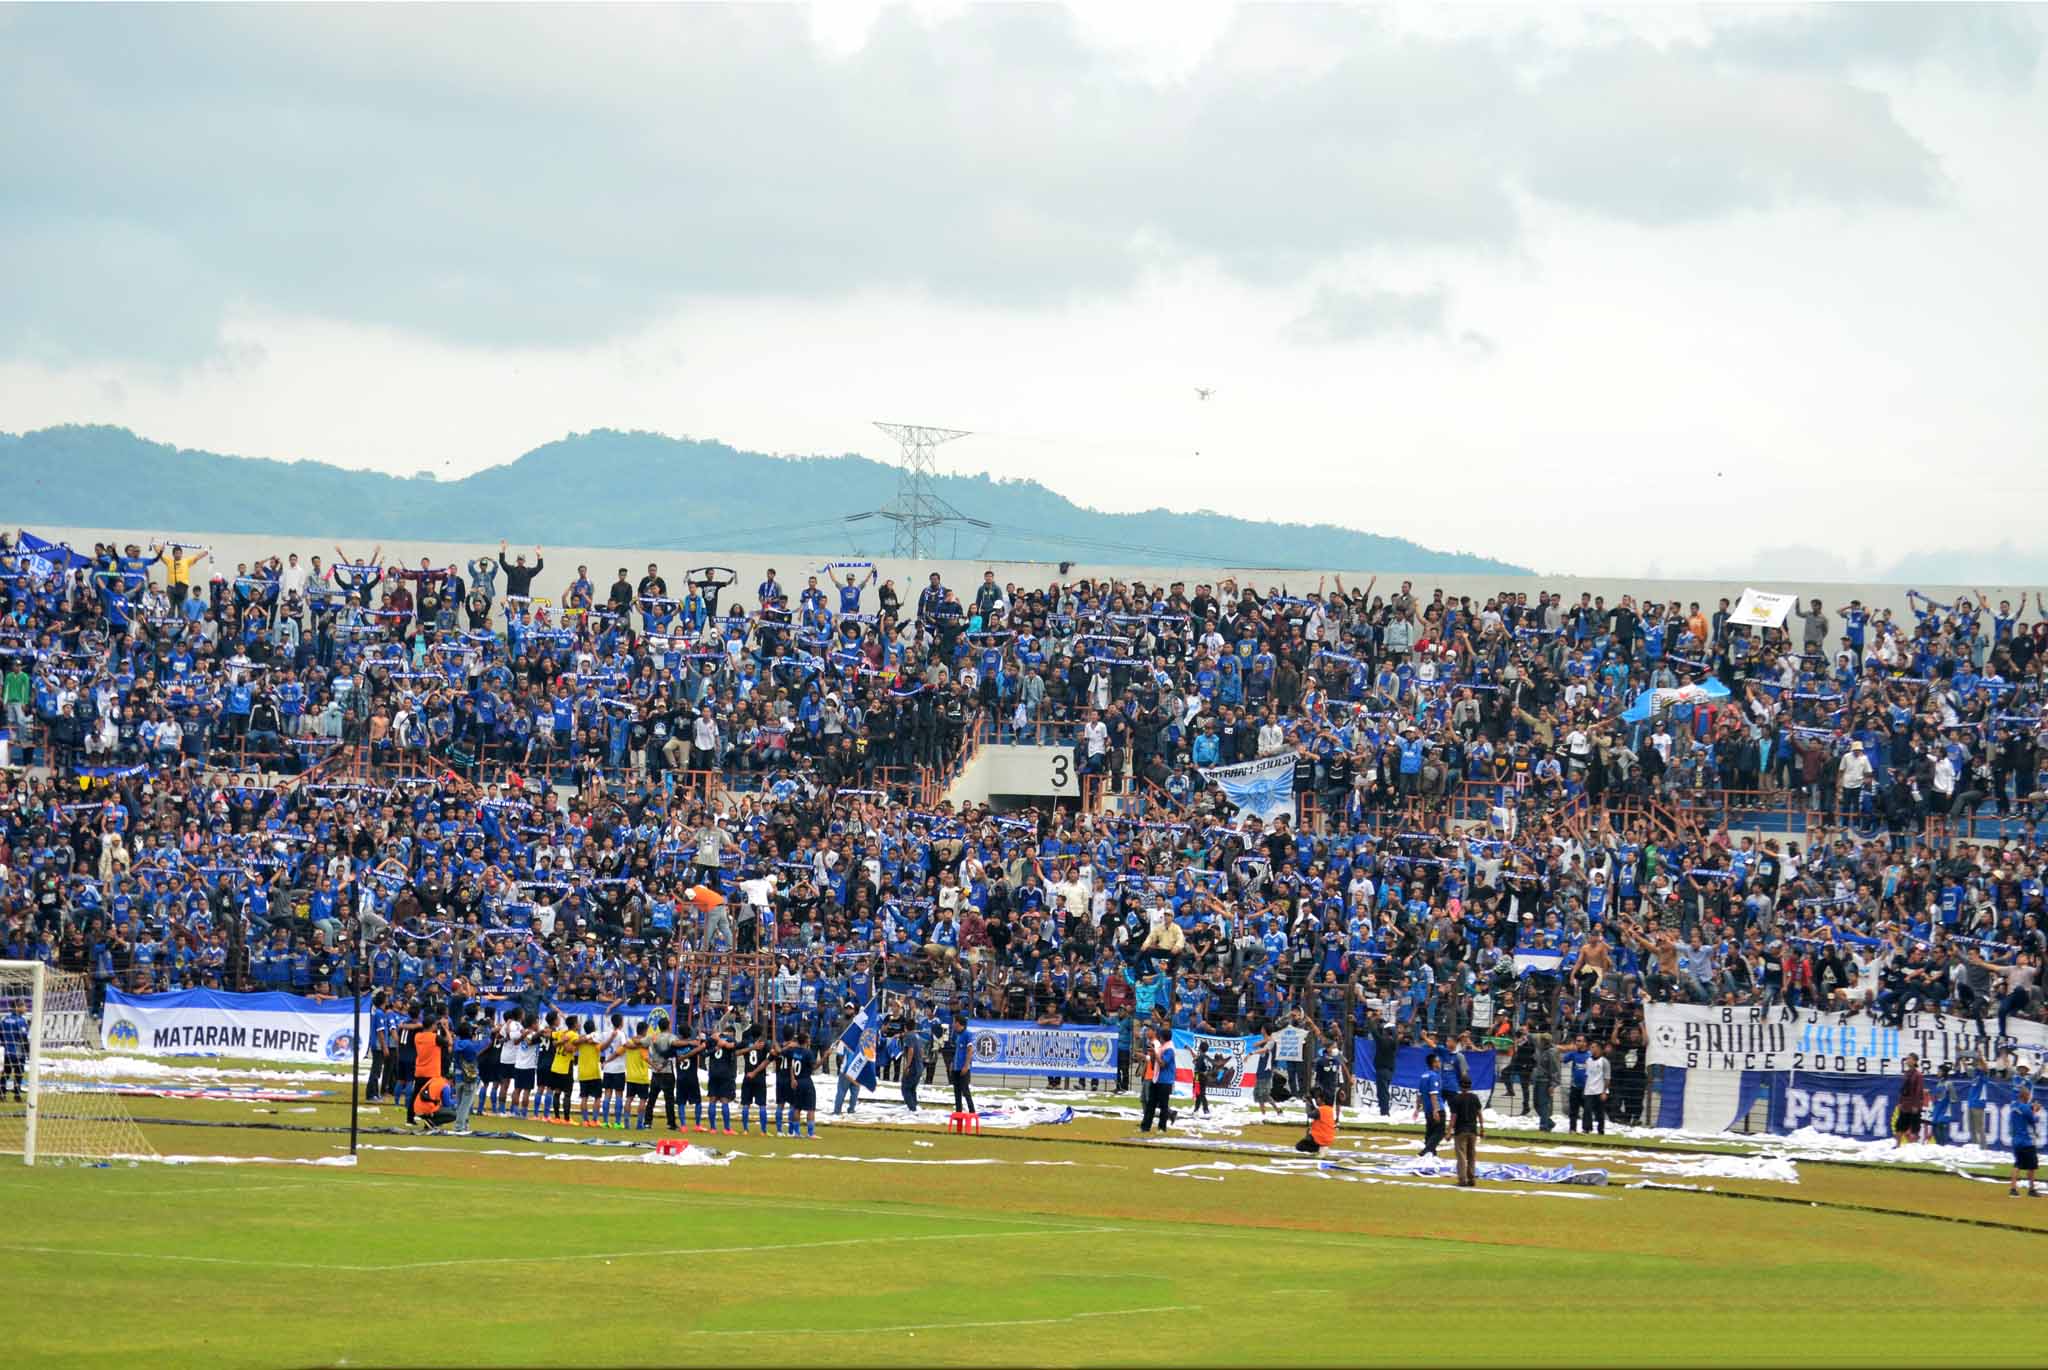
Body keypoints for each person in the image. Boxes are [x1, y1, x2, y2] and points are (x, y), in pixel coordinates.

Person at [1139, 1024, 1176, 1133]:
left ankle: (1162, 1127)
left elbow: (1163, 1064)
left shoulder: (1169, 1049)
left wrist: (1155, 1053)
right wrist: (1152, 1055)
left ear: (1162, 1037)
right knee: (1151, 1104)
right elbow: (1156, 1063)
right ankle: (1145, 1127)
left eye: (1160, 1036)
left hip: (1165, 1081)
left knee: (1163, 1106)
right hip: (1157, 1078)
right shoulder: (1162, 1047)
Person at [784, 1029, 819, 1139]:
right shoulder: (808, 1053)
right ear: (806, 1041)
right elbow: (814, 1067)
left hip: (796, 1082)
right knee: (811, 1108)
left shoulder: (793, 1051)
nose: (810, 1040)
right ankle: (810, 1133)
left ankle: (797, 1132)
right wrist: (824, 1057)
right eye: (808, 1038)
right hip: (806, 1081)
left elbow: (790, 1064)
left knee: (797, 1107)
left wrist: (792, 1079)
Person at [1451, 1077, 1485, 1186]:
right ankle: (1471, 1178)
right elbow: (1479, 1114)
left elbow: (1454, 1117)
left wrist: (1448, 1130)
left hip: (1460, 1130)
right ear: (1470, 1086)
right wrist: (1482, 1128)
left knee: (1461, 1156)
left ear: (1460, 1086)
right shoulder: (1475, 1098)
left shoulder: (1456, 1099)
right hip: (1472, 1130)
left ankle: (1462, 1179)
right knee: (1471, 1155)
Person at [2009, 1081, 2041, 1198]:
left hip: (2016, 1140)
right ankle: (2031, 1189)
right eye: (2028, 1095)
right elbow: (2033, 1120)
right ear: (2025, 1096)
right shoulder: (2026, 1107)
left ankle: (2013, 1189)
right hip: (2027, 1141)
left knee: (2017, 1164)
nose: (2029, 1097)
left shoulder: (2014, 1107)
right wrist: (2035, 1110)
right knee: (2032, 1166)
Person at [1418, 1049, 1446, 1157]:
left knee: (1430, 1132)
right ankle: (1425, 1151)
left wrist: (1418, 1107)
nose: (1440, 1063)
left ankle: (1431, 1155)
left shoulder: (1423, 1076)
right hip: (1437, 1107)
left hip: (1427, 1109)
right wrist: (1436, 1110)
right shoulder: (1434, 1076)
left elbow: (1419, 1093)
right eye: (1438, 1061)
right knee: (1440, 1132)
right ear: (1434, 1063)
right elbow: (1433, 1094)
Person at [1895, 1053, 1927, 1147]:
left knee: (1914, 1127)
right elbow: (1903, 1090)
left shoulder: (1918, 1075)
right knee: (1900, 1125)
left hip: (1914, 1105)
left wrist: (1916, 1105)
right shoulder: (1906, 1074)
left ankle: (1913, 1147)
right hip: (1905, 1104)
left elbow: (1918, 1091)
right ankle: (1897, 1145)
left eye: (1909, 1059)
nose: (1907, 1060)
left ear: (1914, 1061)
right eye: (1907, 1059)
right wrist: (1900, 1102)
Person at [1295, 1088, 1337, 1154]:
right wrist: (1310, 1101)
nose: (1316, 1100)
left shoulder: (1321, 1110)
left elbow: (1309, 1114)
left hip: (1320, 1138)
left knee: (1299, 1146)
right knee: (1309, 1133)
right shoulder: (1329, 1109)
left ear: (1322, 1100)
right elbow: (1315, 1112)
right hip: (1328, 1138)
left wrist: (1307, 1102)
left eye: (1318, 1098)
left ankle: (1319, 1149)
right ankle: (1320, 1148)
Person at [950, 1014, 976, 1116]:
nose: (953, 1025)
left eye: (954, 1022)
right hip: (956, 1067)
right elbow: (957, 1051)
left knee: (965, 1090)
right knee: (956, 1091)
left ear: (958, 1023)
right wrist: (952, 1063)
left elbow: (970, 1050)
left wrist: (966, 1065)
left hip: (963, 1067)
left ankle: (972, 1111)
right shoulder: (958, 1035)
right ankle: (958, 1111)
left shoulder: (967, 1034)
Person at [1582, 1041, 1610, 1135]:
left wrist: (1604, 1091)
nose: (1591, 1049)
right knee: (1587, 1110)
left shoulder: (1604, 1061)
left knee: (1599, 1112)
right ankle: (1586, 1128)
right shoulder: (1588, 1061)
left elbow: (1607, 1078)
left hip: (1599, 1090)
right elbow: (1587, 1074)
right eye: (1591, 1047)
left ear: (1599, 1048)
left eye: (1593, 1047)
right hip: (1589, 1090)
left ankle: (1600, 1130)